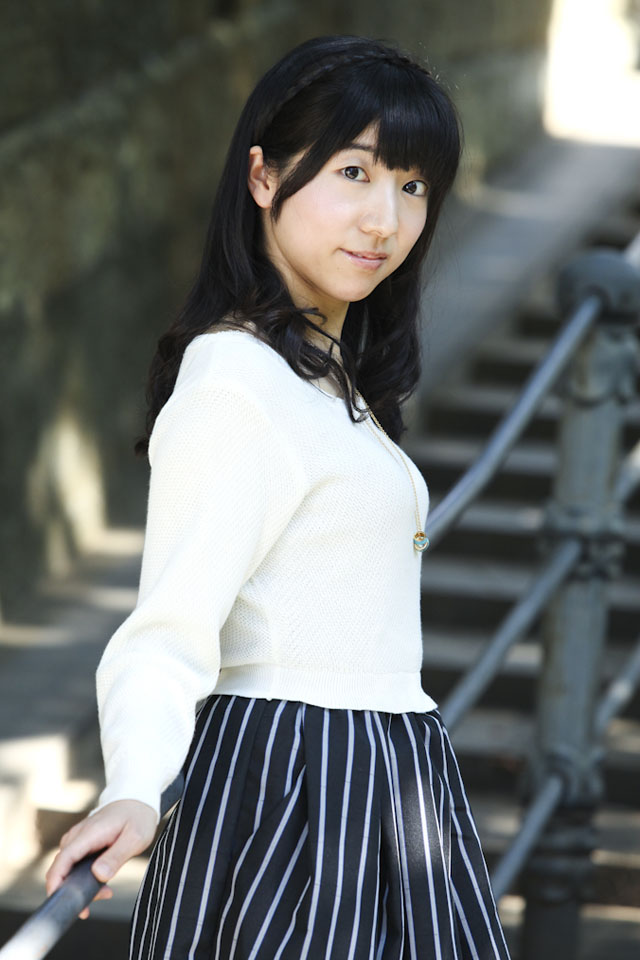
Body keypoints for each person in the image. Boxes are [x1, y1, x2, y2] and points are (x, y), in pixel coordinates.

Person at [45, 33, 512, 960]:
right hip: (295, 792)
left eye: (414, 186)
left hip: (389, 781)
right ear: (263, 177)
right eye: (354, 172)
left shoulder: (325, 383)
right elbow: (169, 628)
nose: (384, 218)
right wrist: (133, 787)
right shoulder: (236, 379)